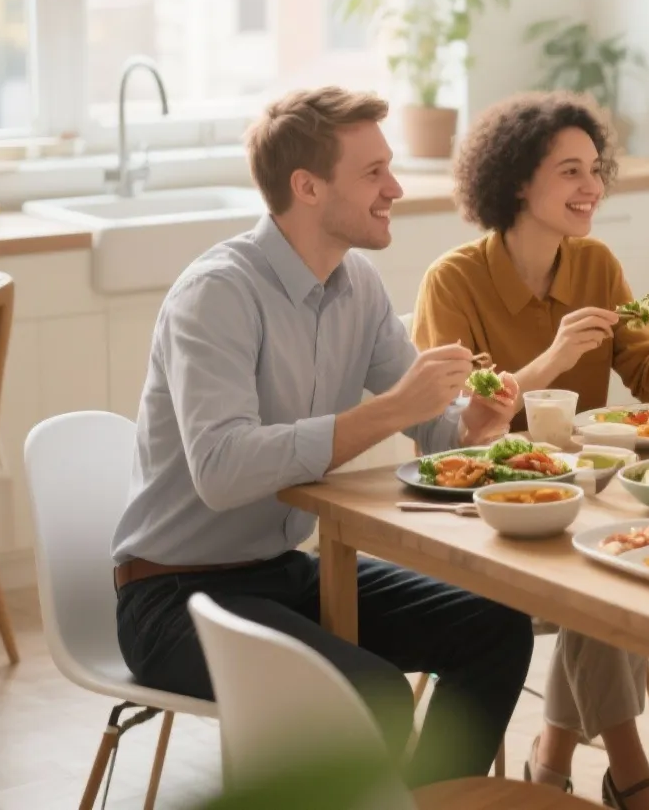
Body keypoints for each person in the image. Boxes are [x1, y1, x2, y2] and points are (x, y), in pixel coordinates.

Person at [111, 88, 535, 784]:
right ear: (306, 187)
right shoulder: (218, 294)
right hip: (174, 597)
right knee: (369, 694)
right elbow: (220, 469)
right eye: (372, 173)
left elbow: (433, 431)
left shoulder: (355, 285)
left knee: (495, 626)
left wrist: (472, 426)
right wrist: (393, 411)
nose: (394, 188)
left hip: (283, 574)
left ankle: (419, 805)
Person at [412, 92, 649, 810]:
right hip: (484, 519)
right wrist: (550, 361)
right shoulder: (453, 281)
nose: (592, 189)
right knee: (606, 582)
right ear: (518, 181)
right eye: (570, 172)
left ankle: (552, 765)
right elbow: (455, 424)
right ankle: (630, 777)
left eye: (595, 169)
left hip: (580, 505)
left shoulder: (595, 264)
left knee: (609, 572)